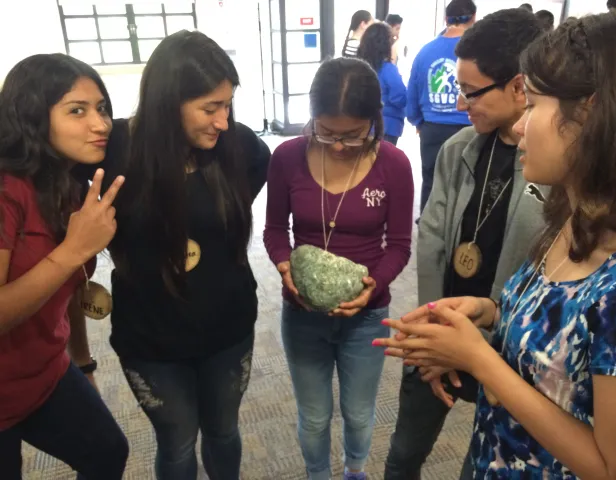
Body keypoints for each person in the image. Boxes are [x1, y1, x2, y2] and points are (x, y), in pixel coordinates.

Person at [377, 11, 616, 479]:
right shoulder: (571, 222)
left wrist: (480, 359)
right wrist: (489, 310)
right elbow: (559, 337)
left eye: (534, 104)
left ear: (591, 116)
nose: (520, 126)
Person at [97, 31, 270, 480]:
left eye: (227, 105)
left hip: (228, 328)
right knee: (176, 444)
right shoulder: (116, 150)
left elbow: (256, 171)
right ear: (167, 102)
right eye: (210, 108)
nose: (223, 121)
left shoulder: (237, 145)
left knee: (224, 432)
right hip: (151, 337)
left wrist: (213, 223)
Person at [384, 9, 544, 480]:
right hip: (441, 330)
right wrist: (434, 334)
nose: (459, 102)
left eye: (471, 92)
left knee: (484, 463)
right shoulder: (459, 149)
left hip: (507, 352)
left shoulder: (553, 168)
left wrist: (482, 350)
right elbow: (432, 241)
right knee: (402, 457)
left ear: (518, 87)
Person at [264, 57, 413, 480]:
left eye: (353, 134)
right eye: (326, 131)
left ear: (374, 120)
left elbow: (399, 246)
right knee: (313, 416)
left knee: (359, 412)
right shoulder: (287, 157)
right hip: (302, 312)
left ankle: (354, 470)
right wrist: (284, 265)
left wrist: (372, 287)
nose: (339, 146)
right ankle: (317, 474)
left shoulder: (393, 164)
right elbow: (274, 230)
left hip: (367, 315)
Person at [0, 53, 128, 479]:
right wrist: (72, 250)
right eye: (77, 110)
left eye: (102, 108)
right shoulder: (7, 190)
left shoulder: (70, 187)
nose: (101, 124)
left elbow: (72, 287)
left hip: (45, 372)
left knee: (108, 452)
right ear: (32, 117)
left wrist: (83, 361)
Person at [407, 0, 475, 215]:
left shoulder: (425, 52)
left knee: (432, 183)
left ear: (446, 19)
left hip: (432, 129)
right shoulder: (476, 52)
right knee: (467, 185)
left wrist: (419, 122)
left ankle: (428, 224)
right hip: (470, 128)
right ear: (474, 18)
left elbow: (412, 95)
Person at [358, 22, 407, 146]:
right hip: (387, 126)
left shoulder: (359, 68)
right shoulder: (388, 69)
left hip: (362, 125)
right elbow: (399, 97)